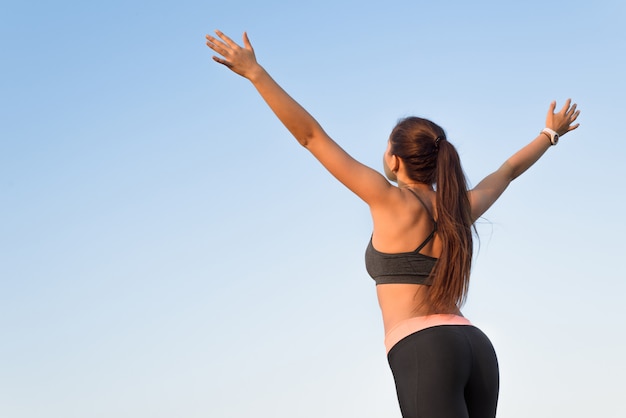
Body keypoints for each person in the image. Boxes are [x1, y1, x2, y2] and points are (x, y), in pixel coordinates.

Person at [205, 30, 580, 418]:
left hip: (425, 349)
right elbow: (508, 171)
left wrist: (256, 74)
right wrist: (549, 134)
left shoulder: (388, 198)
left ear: (396, 160)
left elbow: (311, 137)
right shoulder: (459, 209)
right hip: (476, 347)